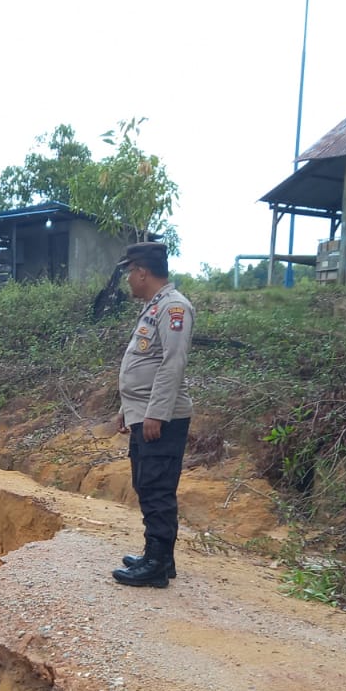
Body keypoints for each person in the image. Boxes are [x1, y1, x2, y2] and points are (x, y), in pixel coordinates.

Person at [112, 241, 193, 588]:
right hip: (142, 412)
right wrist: (125, 410)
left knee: (157, 487)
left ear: (143, 272)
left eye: (131, 271)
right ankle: (158, 556)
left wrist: (156, 414)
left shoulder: (174, 308)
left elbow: (172, 364)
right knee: (147, 483)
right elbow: (143, 363)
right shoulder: (154, 307)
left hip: (162, 417)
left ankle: (157, 565)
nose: (129, 278)